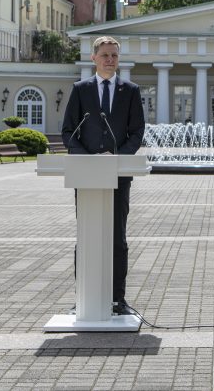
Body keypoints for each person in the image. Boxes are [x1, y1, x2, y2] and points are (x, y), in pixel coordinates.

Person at [61, 36, 146, 316]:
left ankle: (117, 299)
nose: (110, 60)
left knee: (117, 239)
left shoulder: (130, 90)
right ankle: (83, 297)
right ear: (93, 58)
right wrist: (89, 159)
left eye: (114, 56)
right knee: (86, 238)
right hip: (87, 176)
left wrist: (117, 157)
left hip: (118, 175)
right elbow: (68, 132)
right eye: (105, 55)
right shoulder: (80, 90)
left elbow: (137, 132)